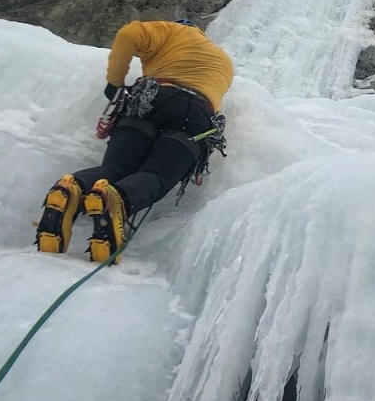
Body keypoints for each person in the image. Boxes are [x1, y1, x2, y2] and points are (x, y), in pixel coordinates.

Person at [36, 18, 234, 262]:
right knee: (157, 175)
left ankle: (72, 187)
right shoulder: (223, 60)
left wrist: (115, 83)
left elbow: (129, 33)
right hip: (196, 115)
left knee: (116, 168)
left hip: (148, 101)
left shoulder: (171, 31)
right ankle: (118, 198)